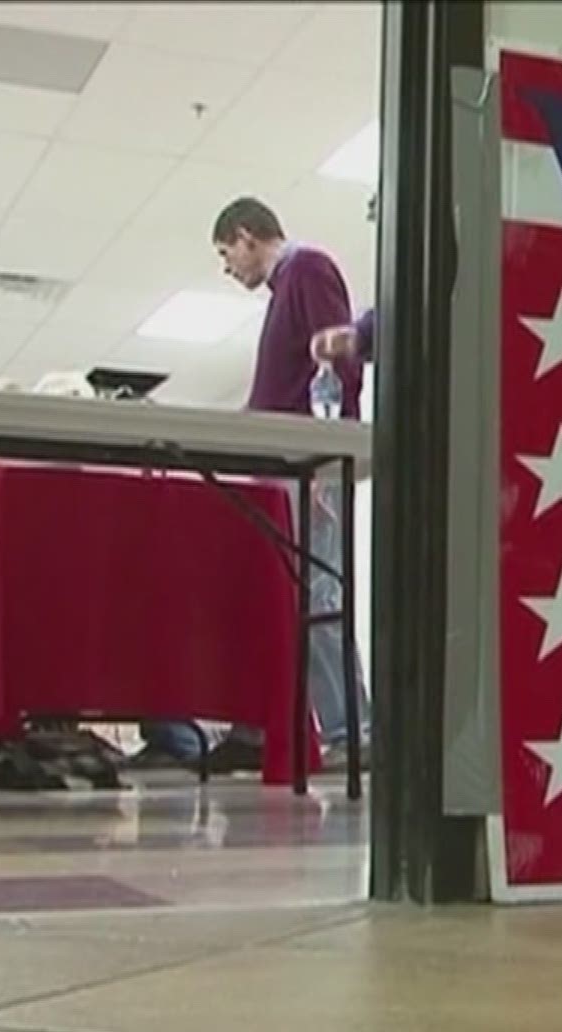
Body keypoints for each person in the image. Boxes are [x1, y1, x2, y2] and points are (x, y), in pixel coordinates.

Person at [187, 196, 375, 773]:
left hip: (308, 467)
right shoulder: (285, 290)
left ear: (246, 236)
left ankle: (353, 729)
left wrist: (324, 454)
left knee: (318, 597)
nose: (228, 268)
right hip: (283, 466)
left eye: (227, 254)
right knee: (286, 600)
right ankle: (272, 726)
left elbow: (337, 359)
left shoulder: (307, 268)